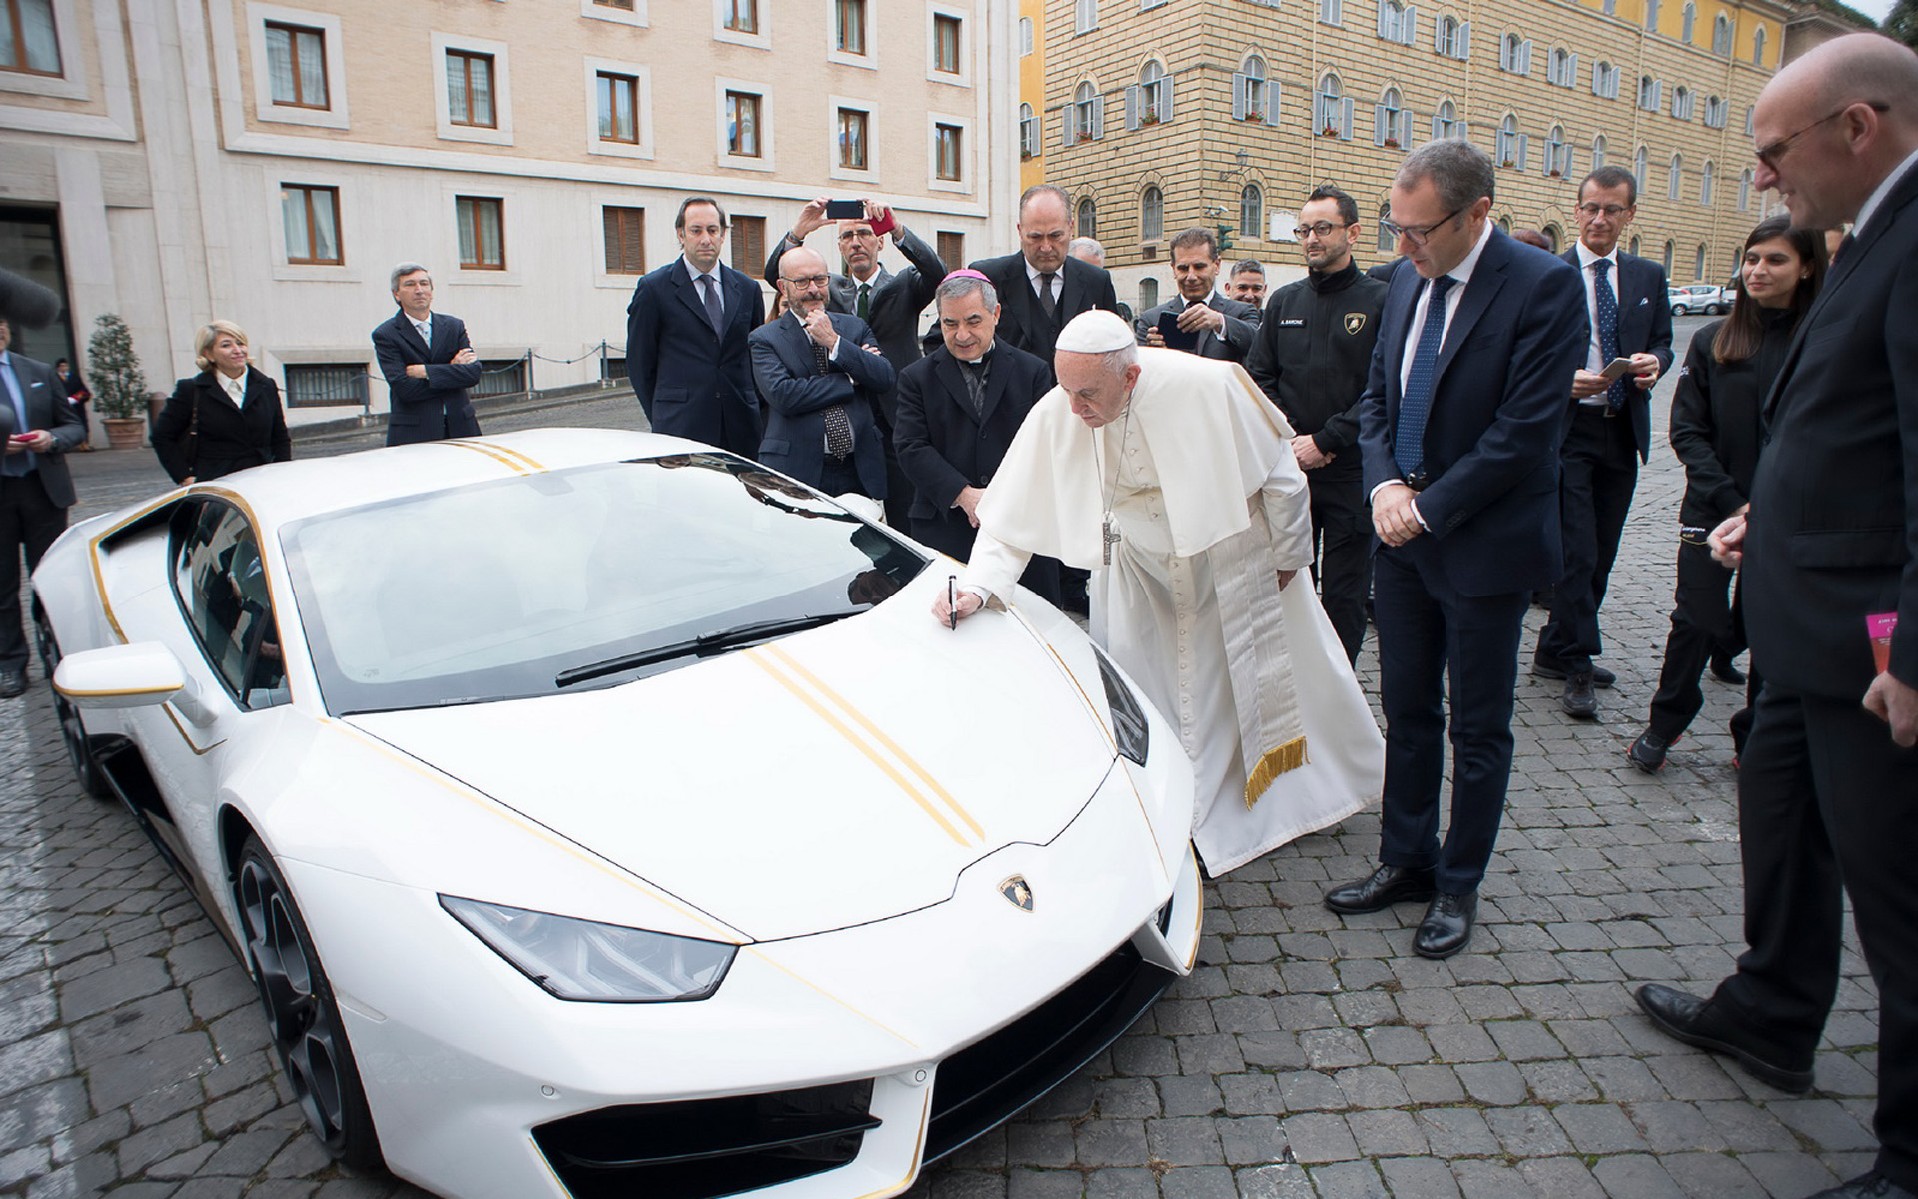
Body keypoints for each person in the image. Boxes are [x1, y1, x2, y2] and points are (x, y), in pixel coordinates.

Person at [1634, 35, 1918, 1199]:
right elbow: (1848, 434)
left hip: (1873, 652)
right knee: (1782, 829)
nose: (1761, 179)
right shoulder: (1865, 240)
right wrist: (1770, 512)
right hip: (1802, 627)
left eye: (1770, 152)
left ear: (1857, 127)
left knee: (1897, 894)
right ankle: (1772, 1007)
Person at [933, 310, 1383, 875]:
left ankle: (1280, 805)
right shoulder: (1065, 406)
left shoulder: (1211, 387)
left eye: (1088, 394)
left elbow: (1283, 479)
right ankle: (1170, 809)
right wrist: (978, 587)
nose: (1075, 410)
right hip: (1138, 572)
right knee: (1148, 695)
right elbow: (1009, 515)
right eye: (1066, 391)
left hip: (1226, 560)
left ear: (1130, 376)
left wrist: (1289, 557)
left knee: (1233, 692)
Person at [1328, 139, 1586, 959]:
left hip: (1480, 547)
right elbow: (1374, 402)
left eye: (1418, 230)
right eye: (1395, 228)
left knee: (1478, 728)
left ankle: (1457, 881)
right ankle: (1405, 857)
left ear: (1478, 213)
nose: (1402, 247)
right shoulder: (1405, 278)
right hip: (1401, 539)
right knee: (1408, 710)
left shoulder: (1544, 287)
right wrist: (1383, 491)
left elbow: (1523, 435)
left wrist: (1425, 506)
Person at [1628, 217, 1826, 772]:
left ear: (1806, 266)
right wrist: (1733, 500)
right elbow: (1688, 430)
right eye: (1752, 259)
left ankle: (1755, 734)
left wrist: (1771, 506)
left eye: (1775, 260)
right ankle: (1665, 724)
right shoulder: (1715, 339)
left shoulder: (1823, 337)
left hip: (1790, 514)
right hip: (1713, 510)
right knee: (1695, 621)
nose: (1758, 270)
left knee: (1768, 628)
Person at [1532, 166, 1674, 718]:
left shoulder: (1646, 276)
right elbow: (1526, 353)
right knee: (1577, 550)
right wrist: (1560, 379)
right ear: (1576, 210)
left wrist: (1653, 362)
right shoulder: (1549, 273)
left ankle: (1554, 646)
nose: (1599, 218)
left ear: (1629, 215)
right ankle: (1579, 662)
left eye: (1612, 210)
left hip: (1622, 427)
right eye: (1591, 207)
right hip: (1568, 430)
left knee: (1604, 554)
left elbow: (1662, 339)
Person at [1245, 186, 1388, 665]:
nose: (1311, 239)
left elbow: (1382, 390)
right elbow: (1260, 377)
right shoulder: (1284, 303)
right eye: (1304, 230)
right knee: (1287, 582)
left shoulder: (1380, 301)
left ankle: (1339, 684)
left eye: (1322, 228)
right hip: (1291, 472)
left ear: (1352, 232)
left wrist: (1328, 440)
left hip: (1350, 474)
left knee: (1345, 596)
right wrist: (1294, 437)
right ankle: (1295, 676)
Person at [764, 199, 945, 525]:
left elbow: (937, 274)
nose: (856, 242)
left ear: (879, 241)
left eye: (864, 233)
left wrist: (896, 228)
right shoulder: (826, 286)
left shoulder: (904, 285)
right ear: (839, 247)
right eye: (847, 236)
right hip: (848, 413)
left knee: (905, 514)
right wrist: (798, 232)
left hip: (896, 412)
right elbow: (780, 273)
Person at [891, 271, 1059, 603]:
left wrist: (1000, 499)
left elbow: (1045, 446)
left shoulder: (1033, 371)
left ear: (995, 315)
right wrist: (964, 494)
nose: (962, 334)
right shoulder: (915, 378)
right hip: (945, 527)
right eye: (950, 323)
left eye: (973, 321)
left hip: (1020, 526)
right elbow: (910, 446)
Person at [748, 247, 895, 500]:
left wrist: (835, 342)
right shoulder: (764, 339)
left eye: (820, 279)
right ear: (783, 287)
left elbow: (883, 377)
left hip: (858, 469)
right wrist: (850, 378)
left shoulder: (853, 327)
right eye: (802, 282)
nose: (814, 289)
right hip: (797, 470)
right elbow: (784, 396)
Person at [626, 196, 766, 458]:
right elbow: (639, 363)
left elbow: (755, 357)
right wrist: (663, 413)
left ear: (723, 234)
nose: (706, 239)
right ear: (681, 234)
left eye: (713, 230)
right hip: (681, 427)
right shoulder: (654, 289)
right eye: (696, 230)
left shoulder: (747, 289)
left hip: (741, 427)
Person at [0, 316, 85, 700]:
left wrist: (52, 438)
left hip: (43, 491)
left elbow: (74, 426)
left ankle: (59, 656)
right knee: (3, 586)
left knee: (50, 578)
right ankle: (10, 665)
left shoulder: (37, 371)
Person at [969, 185, 1118, 365]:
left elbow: (1115, 348)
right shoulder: (987, 279)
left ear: (1071, 228)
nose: (1046, 247)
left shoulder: (1096, 281)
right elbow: (943, 343)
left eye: (1056, 236)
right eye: (1036, 237)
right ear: (1020, 231)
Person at [153, 320, 293, 485]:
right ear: (208, 354)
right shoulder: (191, 390)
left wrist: (282, 472)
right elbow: (162, 436)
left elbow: (280, 437)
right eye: (226, 345)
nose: (237, 350)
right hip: (216, 485)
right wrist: (185, 478)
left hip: (262, 480)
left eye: (241, 344)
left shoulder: (266, 385)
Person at [371, 263, 483, 446]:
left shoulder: (454, 326)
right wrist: (453, 371)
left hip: (463, 428)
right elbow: (405, 389)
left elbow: (473, 374)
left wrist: (426, 372)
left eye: (424, 283)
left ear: (431, 290)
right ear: (396, 294)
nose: (419, 290)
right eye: (410, 284)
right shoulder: (386, 334)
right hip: (415, 434)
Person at [1134, 228, 1260, 363]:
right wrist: (1154, 354)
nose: (1191, 276)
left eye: (1199, 267)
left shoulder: (1241, 312)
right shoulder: (1151, 319)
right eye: (1183, 268)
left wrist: (1219, 322)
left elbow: (1258, 346)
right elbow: (1142, 373)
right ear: (1173, 269)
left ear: (1216, 265)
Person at [53, 357, 89, 448]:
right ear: (58, 367)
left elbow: (83, 390)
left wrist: (75, 398)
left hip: (76, 405)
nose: (64, 368)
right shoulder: (54, 377)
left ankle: (84, 443)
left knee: (81, 423)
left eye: (65, 365)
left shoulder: (74, 377)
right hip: (62, 406)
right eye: (62, 366)